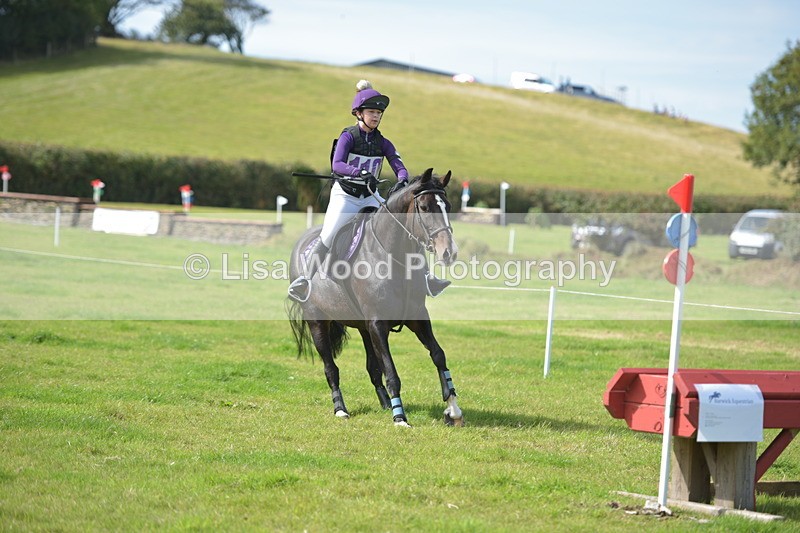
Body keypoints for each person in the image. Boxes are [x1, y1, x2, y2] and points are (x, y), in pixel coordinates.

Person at [288, 80, 450, 302]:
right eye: (372, 112)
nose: (376, 116)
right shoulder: (348, 136)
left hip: (370, 197)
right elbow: (337, 165)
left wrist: (403, 178)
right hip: (346, 196)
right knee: (330, 232)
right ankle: (305, 280)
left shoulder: (383, 142)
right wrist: (358, 172)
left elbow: (397, 163)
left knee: (403, 226)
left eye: (379, 113)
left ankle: (427, 277)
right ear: (359, 113)